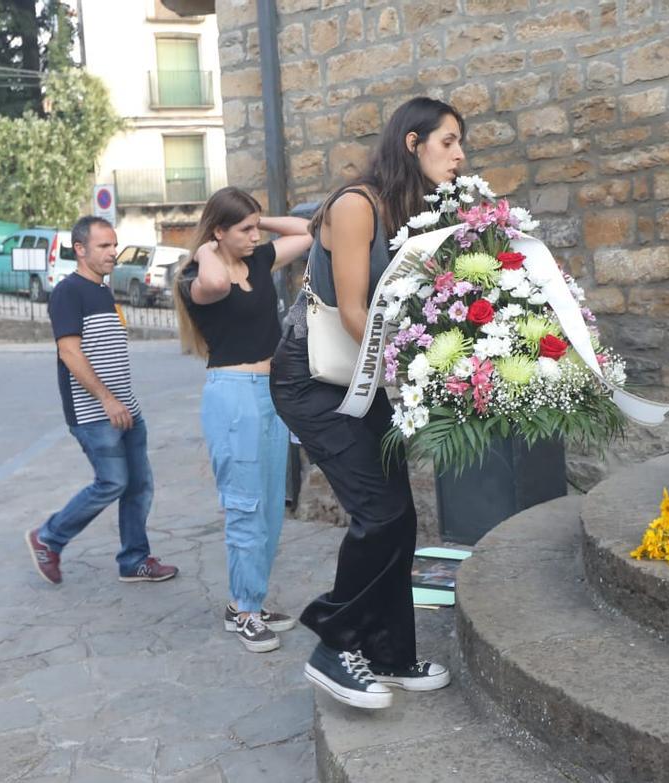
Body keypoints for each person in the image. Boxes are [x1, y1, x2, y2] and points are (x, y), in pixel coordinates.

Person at [270, 96, 465, 710]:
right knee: (378, 514)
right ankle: (334, 645)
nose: (460, 155)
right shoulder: (357, 205)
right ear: (412, 143)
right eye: (448, 142)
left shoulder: (413, 211)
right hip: (314, 379)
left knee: (399, 517)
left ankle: (388, 653)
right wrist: (417, 373)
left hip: (364, 375)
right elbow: (355, 310)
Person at [173, 187, 313, 653]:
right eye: (244, 229)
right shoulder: (197, 275)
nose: (255, 236)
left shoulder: (256, 259)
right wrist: (207, 247)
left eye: (256, 228)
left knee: (271, 505)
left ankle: (247, 600)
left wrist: (261, 221)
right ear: (218, 232)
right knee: (244, 506)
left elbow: (311, 232)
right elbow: (214, 286)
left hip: (270, 392)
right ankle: (244, 611)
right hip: (232, 397)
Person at [25, 216, 178, 585]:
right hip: (95, 412)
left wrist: (122, 401)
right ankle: (49, 537)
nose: (114, 253)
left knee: (139, 485)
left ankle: (134, 560)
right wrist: (107, 401)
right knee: (112, 482)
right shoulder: (68, 292)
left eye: (114, 245)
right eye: (104, 246)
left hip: (125, 408)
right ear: (80, 249)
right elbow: (70, 353)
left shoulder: (104, 291)